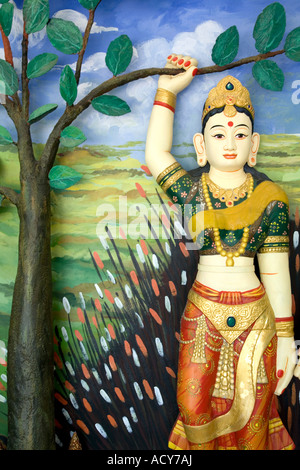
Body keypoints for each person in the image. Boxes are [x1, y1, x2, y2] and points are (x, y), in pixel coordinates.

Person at [145, 54, 296, 450]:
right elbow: (156, 157)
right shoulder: (193, 193)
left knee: (255, 415)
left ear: (254, 144)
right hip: (203, 312)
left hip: (256, 317)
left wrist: (285, 338)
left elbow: (277, 273)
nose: (230, 144)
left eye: (240, 133)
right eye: (218, 134)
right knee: (193, 407)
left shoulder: (270, 199)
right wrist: (167, 91)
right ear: (201, 144)